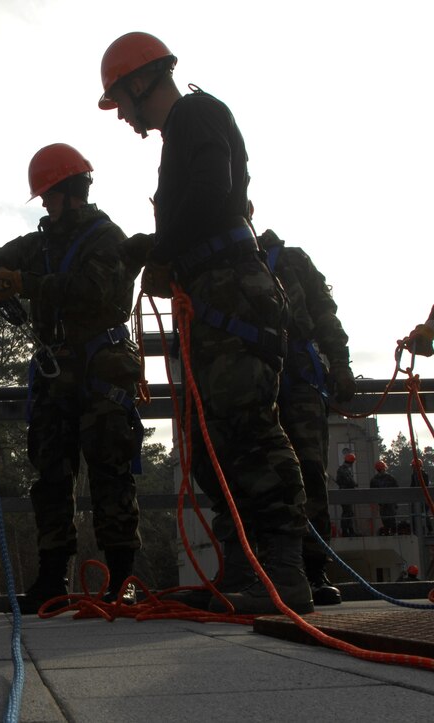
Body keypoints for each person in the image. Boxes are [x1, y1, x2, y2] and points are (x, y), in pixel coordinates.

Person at [97, 31, 311, 614]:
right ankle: (245, 565)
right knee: (210, 435)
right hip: (213, 292)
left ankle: (285, 569)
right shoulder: (183, 131)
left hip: (231, 291)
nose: (122, 116)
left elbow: (212, 192)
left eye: (120, 99)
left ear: (141, 82)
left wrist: (156, 243)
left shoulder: (197, 112)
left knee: (247, 426)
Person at [0, 143, 144, 611]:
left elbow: (93, 292)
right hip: (57, 371)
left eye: (50, 197)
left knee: (110, 470)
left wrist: (26, 284)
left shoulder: (106, 237)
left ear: (70, 193)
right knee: (51, 473)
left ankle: (122, 579)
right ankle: (52, 578)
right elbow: (0, 262)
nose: (47, 207)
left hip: (102, 364)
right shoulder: (41, 244)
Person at [257, 224, 356, 606]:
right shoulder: (221, 262)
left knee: (309, 473)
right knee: (258, 475)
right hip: (251, 382)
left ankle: (313, 571)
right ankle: (262, 569)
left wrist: (341, 364)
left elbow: (323, 313)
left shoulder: (291, 260)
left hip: (297, 380)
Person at [370, 460, 399, 535]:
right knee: (392, 517)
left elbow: (372, 492)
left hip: (381, 502)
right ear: (384, 468)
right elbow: (397, 489)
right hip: (390, 501)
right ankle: (393, 532)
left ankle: (387, 532)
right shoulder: (390, 478)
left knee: (384, 518)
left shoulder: (374, 480)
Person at [335, 452, 359, 537]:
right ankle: (347, 531)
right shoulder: (344, 470)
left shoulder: (341, 469)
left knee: (348, 512)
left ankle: (349, 530)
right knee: (347, 513)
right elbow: (349, 482)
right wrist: (355, 484)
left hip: (345, 494)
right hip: (346, 494)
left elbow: (339, 481)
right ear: (351, 462)